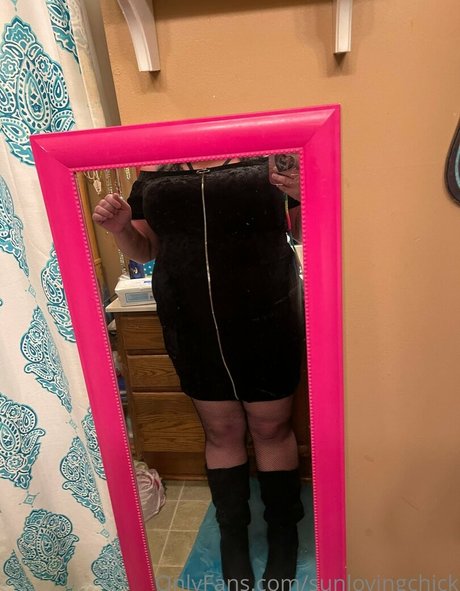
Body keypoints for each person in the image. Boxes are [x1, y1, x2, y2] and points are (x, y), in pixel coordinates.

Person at [93, 156, 305, 591]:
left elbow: (304, 230)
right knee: (220, 430)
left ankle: (283, 531)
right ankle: (233, 535)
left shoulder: (269, 152)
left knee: (271, 426)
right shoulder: (155, 168)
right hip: (189, 318)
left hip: (267, 310)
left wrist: (305, 192)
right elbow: (146, 249)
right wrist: (120, 228)